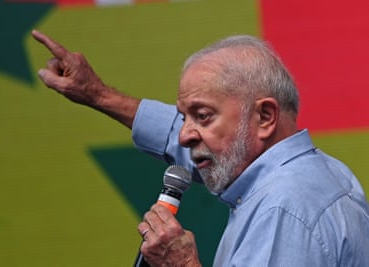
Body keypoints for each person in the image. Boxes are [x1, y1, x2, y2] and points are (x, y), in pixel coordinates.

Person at [31, 30, 369, 266]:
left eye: (202, 116)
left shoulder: (283, 209)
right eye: (184, 117)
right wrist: (98, 94)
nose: (184, 135)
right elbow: (201, 144)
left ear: (264, 116)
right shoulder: (318, 171)